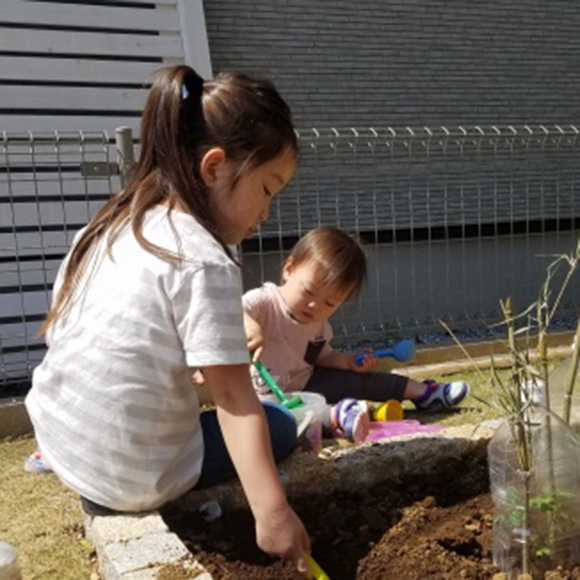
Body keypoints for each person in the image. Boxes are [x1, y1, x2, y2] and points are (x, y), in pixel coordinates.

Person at [24, 65, 311, 572]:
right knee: (279, 425)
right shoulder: (204, 258)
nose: (267, 212)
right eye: (268, 189)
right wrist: (273, 513)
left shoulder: (114, 223)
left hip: (63, 441)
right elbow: (233, 399)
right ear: (214, 167)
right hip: (133, 476)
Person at [242, 226, 470, 442]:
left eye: (330, 303)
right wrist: (249, 325)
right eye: (308, 291)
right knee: (281, 419)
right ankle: (339, 417)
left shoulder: (317, 322)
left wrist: (348, 362)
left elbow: (321, 356)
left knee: (362, 380)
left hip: (307, 384)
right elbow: (233, 310)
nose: (314, 306)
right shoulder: (264, 302)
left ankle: (423, 393)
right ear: (289, 269)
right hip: (260, 396)